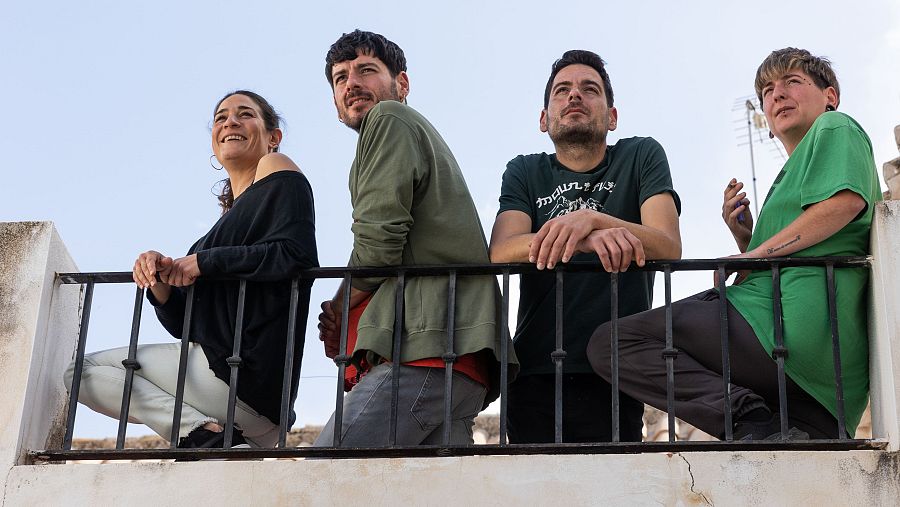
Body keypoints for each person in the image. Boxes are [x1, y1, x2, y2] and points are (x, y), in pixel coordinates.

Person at [588, 48, 880, 440]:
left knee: (615, 342)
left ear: (831, 96)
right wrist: (747, 236)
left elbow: (843, 204)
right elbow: (807, 239)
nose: (777, 95)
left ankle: (743, 414)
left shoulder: (836, 127)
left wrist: (755, 253)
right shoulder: (798, 168)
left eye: (793, 82)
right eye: (768, 90)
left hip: (788, 329)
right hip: (824, 389)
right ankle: (762, 424)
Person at [64, 90, 319, 448]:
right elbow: (186, 326)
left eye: (245, 114)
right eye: (220, 117)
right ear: (213, 142)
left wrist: (203, 262)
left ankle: (202, 435)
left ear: (273, 137)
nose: (230, 121)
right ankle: (215, 438)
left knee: (81, 372)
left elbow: (294, 255)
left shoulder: (277, 169)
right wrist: (161, 284)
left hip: (241, 376)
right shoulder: (224, 226)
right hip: (245, 398)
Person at [315, 30, 518, 447]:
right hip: (461, 360)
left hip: (425, 351)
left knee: (323, 477)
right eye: (340, 78)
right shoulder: (409, 131)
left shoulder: (388, 118)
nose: (351, 83)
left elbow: (378, 244)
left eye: (366, 70)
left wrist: (339, 304)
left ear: (401, 84)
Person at [489, 50, 682, 443]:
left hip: (615, 366)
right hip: (534, 369)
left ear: (611, 116)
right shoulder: (525, 170)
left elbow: (667, 243)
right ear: (544, 120)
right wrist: (589, 238)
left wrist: (597, 219)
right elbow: (502, 249)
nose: (574, 96)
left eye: (589, 89)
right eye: (562, 90)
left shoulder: (641, 155)